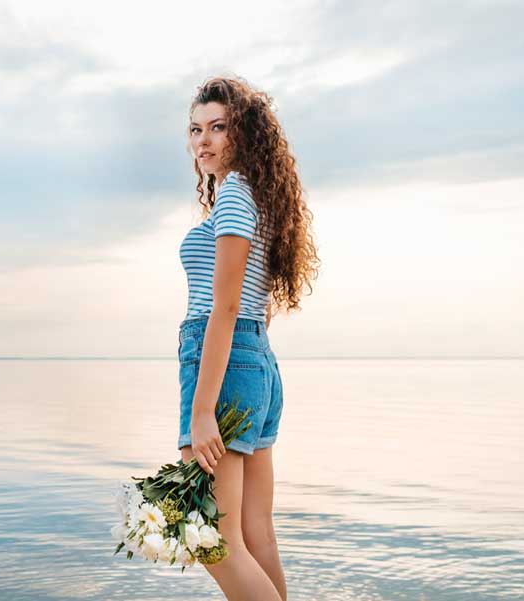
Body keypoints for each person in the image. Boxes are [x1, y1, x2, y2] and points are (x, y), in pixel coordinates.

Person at [177, 75, 320, 601]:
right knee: (255, 531)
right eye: (196, 130)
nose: (203, 141)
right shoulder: (252, 195)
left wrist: (202, 409)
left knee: (211, 538)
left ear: (245, 134)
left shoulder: (236, 193)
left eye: (218, 127)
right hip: (254, 360)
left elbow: (227, 307)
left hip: (225, 362)